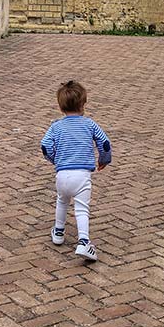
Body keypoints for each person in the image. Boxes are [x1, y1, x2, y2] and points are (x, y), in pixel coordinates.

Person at [41, 80, 111, 262]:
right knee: (81, 209)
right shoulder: (90, 124)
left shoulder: (56, 126)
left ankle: (58, 232)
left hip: (62, 175)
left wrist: (55, 160)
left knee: (62, 201)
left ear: (61, 107)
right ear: (83, 104)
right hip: (82, 175)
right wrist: (104, 160)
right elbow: (104, 143)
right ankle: (84, 242)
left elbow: (45, 146)